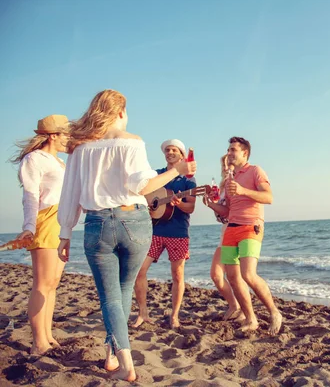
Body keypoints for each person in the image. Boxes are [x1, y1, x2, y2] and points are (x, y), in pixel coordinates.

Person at [56, 90, 196, 382]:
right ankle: (119, 360)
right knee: (122, 291)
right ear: (120, 112)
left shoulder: (79, 148)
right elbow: (144, 186)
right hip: (134, 221)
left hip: (97, 223)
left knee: (111, 298)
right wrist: (177, 171)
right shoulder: (132, 142)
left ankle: (120, 360)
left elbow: (69, 193)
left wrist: (65, 232)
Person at [8, 114, 70, 355]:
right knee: (42, 285)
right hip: (45, 221)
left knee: (53, 284)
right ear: (53, 135)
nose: (68, 139)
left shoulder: (61, 163)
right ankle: (38, 342)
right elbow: (31, 195)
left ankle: (47, 335)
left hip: (62, 222)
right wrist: (29, 226)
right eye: (65, 134)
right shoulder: (35, 159)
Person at [207, 136, 282, 335]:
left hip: (251, 226)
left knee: (248, 274)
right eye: (229, 149)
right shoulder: (231, 179)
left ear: (244, 153)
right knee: (232, 277)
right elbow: (227, 211)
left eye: (233, 150)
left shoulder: (255, 171)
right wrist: (211, 204)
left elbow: (269, 197)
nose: (229, 153)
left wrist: (243, 190)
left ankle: (274, 312)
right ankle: (251, 318)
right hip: (231, 228)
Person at [133, 139, 196, 329]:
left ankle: (174, 316)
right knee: (139, 270)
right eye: (167, 150)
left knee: (177, 274)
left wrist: (179, 204)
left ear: (181, 154)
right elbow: (144, 196)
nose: (170, 152)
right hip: (154, 231)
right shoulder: (157, 174)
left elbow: (190, 207)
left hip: (178, 232)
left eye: (174, 150)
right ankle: (142, 312)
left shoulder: (188, 180)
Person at [204, 154, 245, 321]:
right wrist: (211, 204)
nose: (226, 167)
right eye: (223, 165)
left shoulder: (238, 182)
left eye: (229, 164)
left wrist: (214, 205)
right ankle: (234, 305)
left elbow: (230, 211)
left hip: (240, 229)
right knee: (216, 274)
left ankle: (244, 309)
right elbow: (223, 214)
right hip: (225, 230)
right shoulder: (222, 187)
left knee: (237, 275)